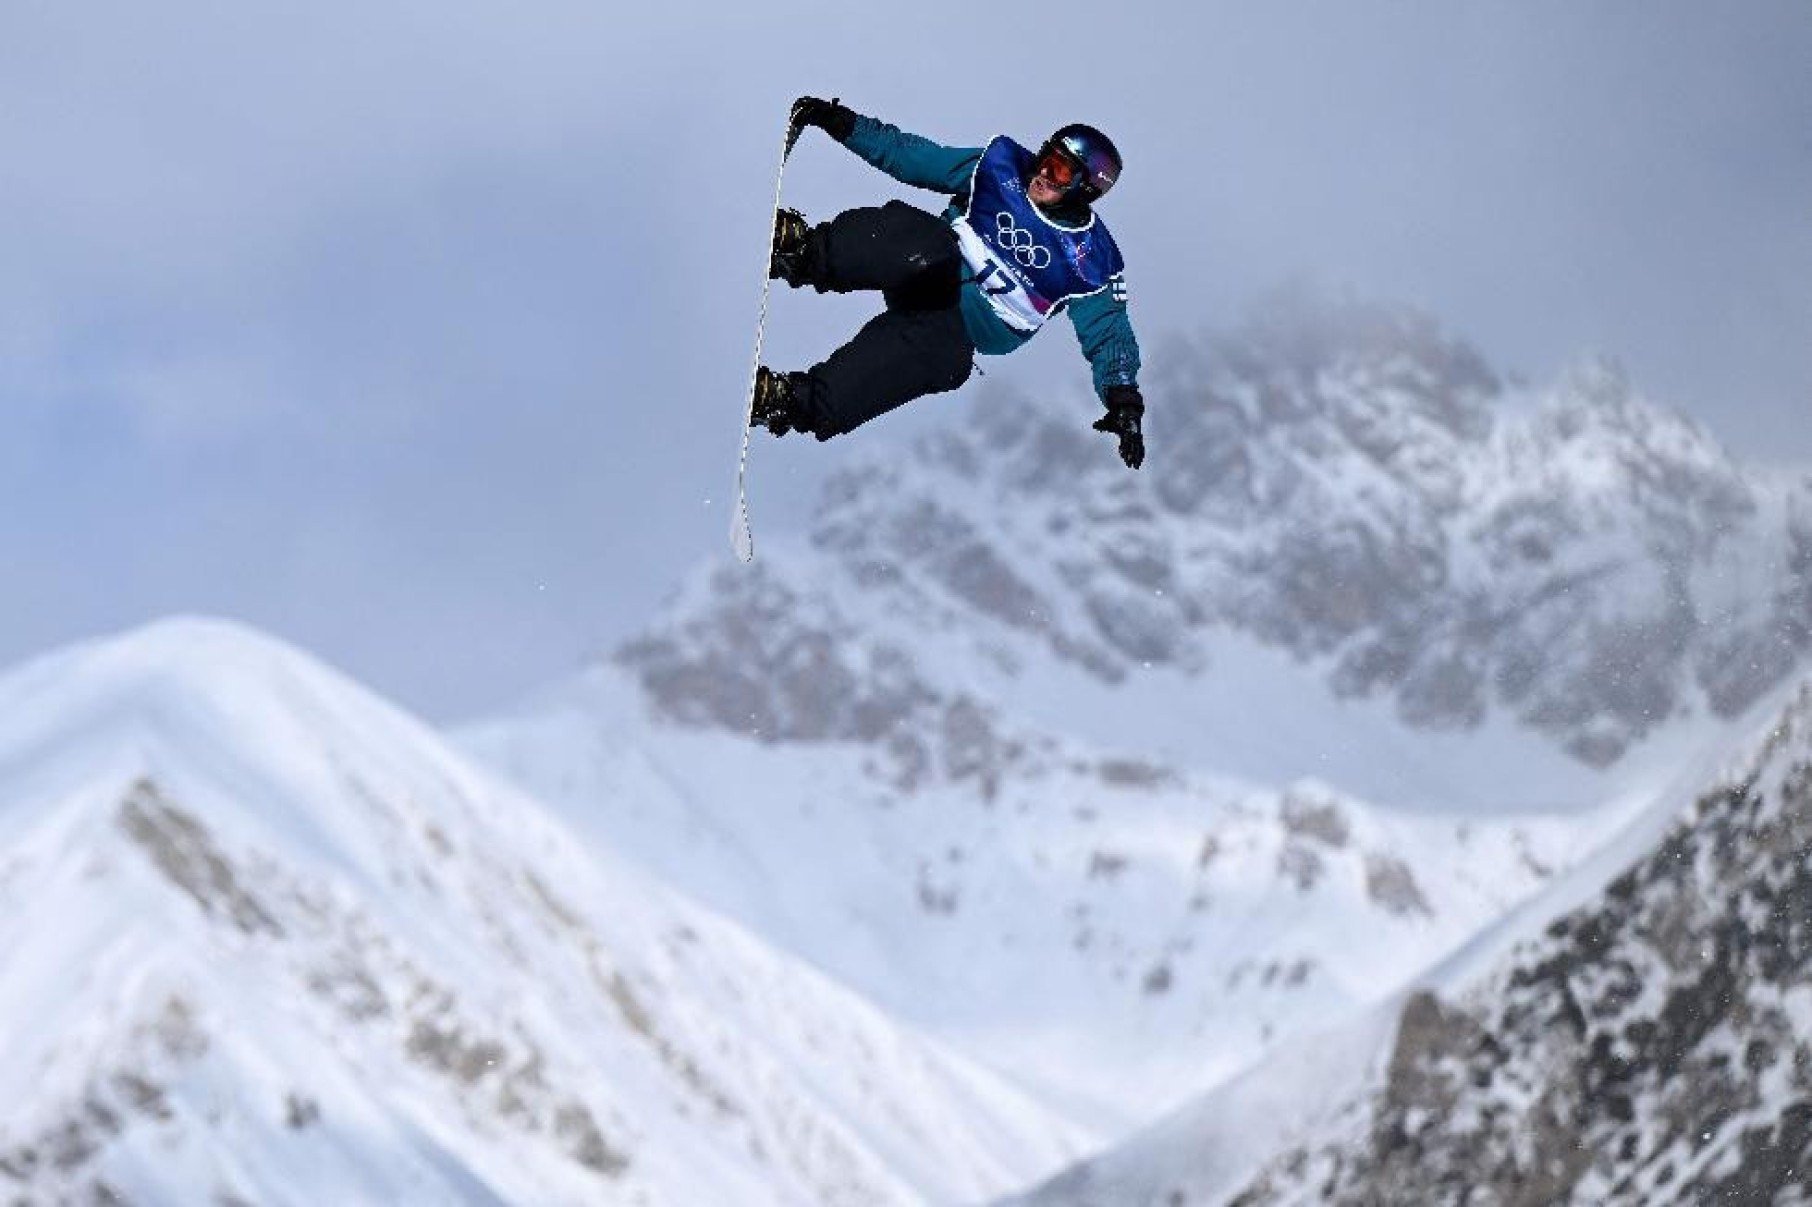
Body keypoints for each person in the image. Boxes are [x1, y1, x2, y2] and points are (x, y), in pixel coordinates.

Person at [753, 97, 1145, 469]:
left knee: (950, 357)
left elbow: (1109, 333)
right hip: (924, 270)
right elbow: (916, 158)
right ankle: (801, 252)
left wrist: (1122, 399)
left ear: (1085, 189)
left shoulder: (1092, 260)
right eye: (1047, 158)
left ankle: (789, 400)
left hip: (958, 327)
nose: (1042, 172)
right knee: (929, 243)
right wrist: (847, 125)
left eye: (1060, 171)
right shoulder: (1001, 168)